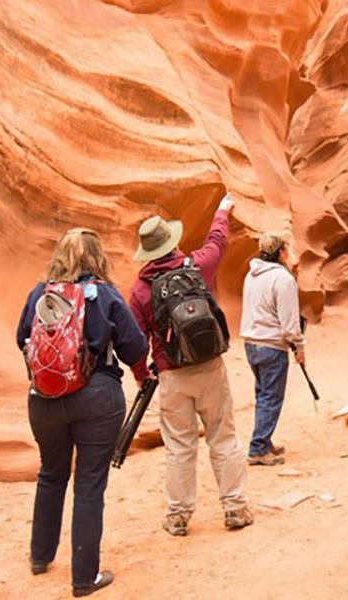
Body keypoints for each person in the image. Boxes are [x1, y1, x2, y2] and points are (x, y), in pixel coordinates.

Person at [16, 228, 146, 597]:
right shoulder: (103, 295)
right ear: (96, 257)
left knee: (51, 474)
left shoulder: (38, 294)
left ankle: (40, 557)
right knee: (89, 484)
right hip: (98, 398)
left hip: (43, 399)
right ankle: (83, 579)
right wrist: (140, 375)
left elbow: (21, 339)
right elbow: (133, 347)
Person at [128, 193, 252, 537]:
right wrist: (222, 211)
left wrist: (142, 375)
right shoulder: (197, 266)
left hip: (171, 375)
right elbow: (217, 241)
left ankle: (179, 516)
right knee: (223, 438)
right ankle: (235, 508)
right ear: (171, 242)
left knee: (180, 447)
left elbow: (136, 341)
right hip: (210, 367)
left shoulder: (139, 290)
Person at [240, 232, 306, 466]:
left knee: (263, 394)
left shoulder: (252, 274)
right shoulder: (283, 279)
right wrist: (299, 346)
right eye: (286, 249)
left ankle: (263, 440)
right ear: (280, 252)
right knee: (271, 397)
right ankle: (258, 449)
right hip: (271, 345)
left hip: (251, 343)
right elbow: (289, 322)